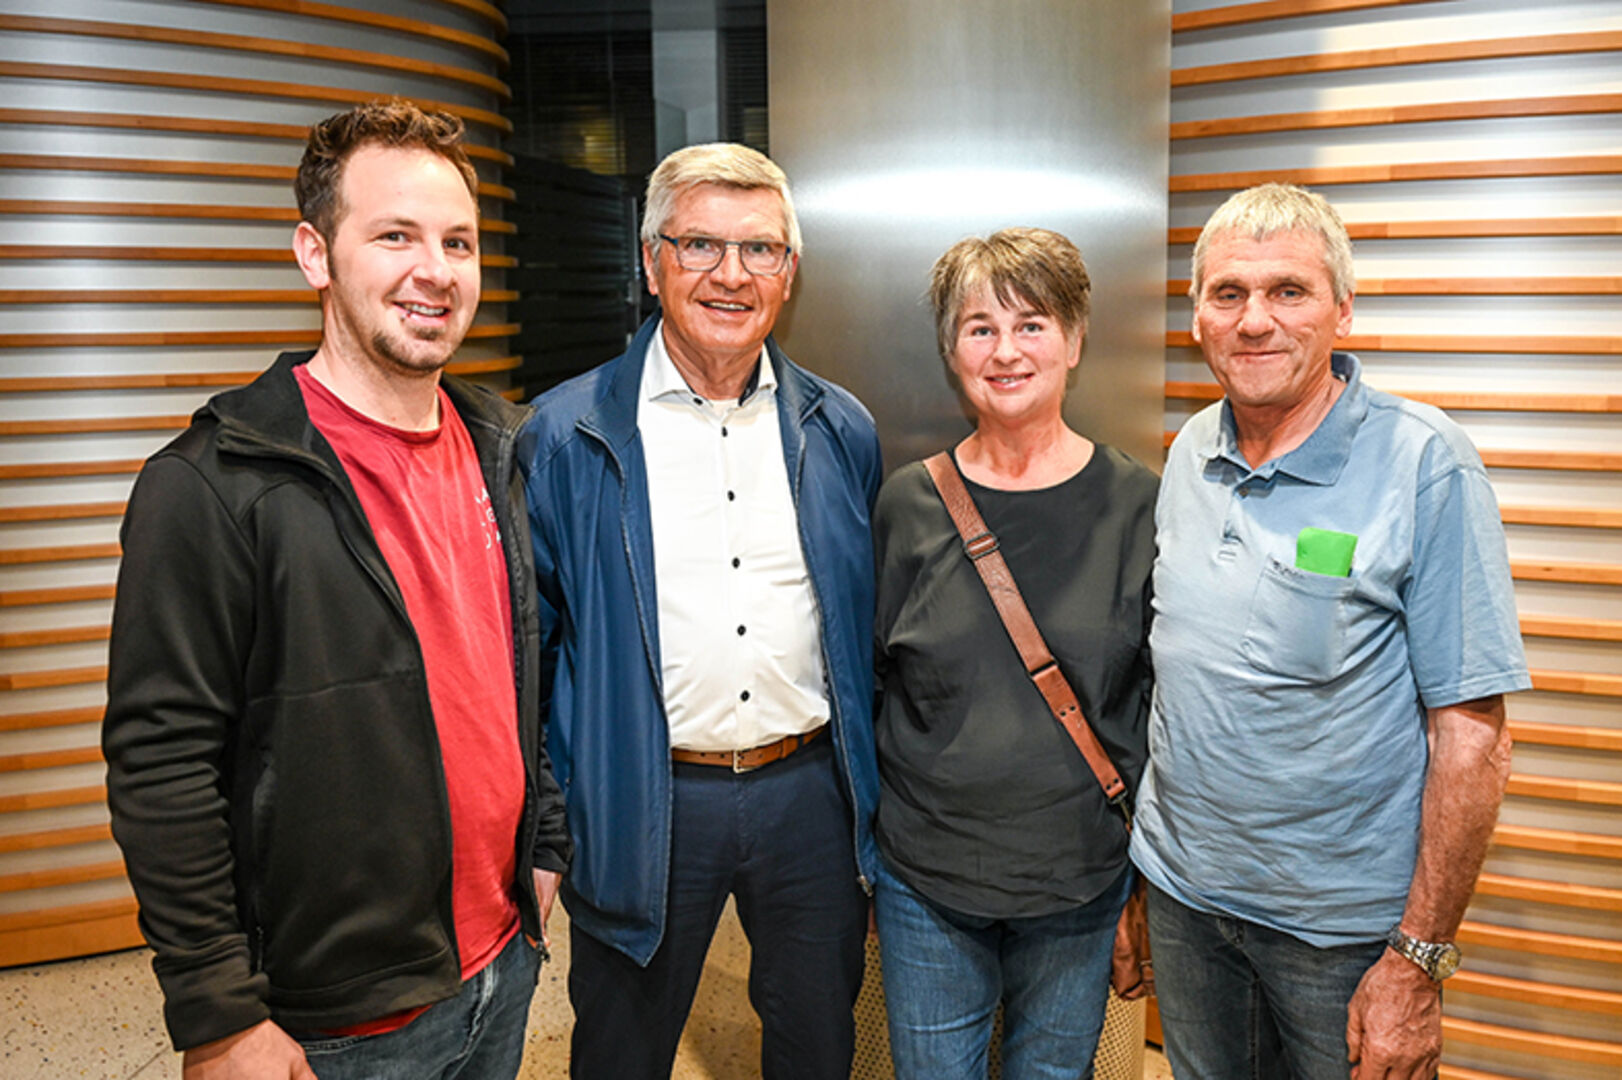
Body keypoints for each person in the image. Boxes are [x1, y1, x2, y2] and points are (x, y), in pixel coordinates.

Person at [103, 100, 570, 1080]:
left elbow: (537, 662)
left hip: (503, 963)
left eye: (456, 241)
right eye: (393, 235)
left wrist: (548, 841)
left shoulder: (511, 450)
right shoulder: (211, 486)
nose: (434, 270)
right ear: (314, 254)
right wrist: (216, 1013)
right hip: (336, 1021)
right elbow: (162, 763)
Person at [1130, 183, 1530, 1080]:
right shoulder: (1190, 451)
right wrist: (1142, 882)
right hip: (1188, 904)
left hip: (1344, 938)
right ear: (1197, 314)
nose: (1254, 321)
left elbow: (1472, 740)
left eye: (1288, 292)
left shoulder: (1425, 463)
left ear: (1342, 310)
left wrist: (1417, 963)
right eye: (1228, 293)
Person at [519, 142, 882, 1079]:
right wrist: (548, 826)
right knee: (621, 1052)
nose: (731, 274)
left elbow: (862, 631)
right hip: (643, 797)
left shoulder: (840, 430)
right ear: (652, 262)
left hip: (808, 796)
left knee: (816, 1046)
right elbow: (533, 653)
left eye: (760, 250)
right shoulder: (565, 437)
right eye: (699, 246)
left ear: (789, 273)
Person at [871, 228, 1158, 1079]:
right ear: (951, 350)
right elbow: (871, 679)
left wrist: (1143, 879)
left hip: (1079, 879)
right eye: (979, 327)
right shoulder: (908, 504)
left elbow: (1155, 696)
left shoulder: (1141, 502)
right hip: (928, 879)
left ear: (1074, 340)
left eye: (1031, 325)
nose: (1005, 351)